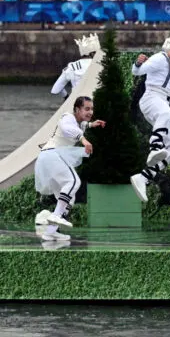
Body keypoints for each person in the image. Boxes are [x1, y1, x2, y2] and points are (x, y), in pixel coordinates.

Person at [129, 38, 170, 203]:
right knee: (168, 113)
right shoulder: (159, 58)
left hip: (162, 104)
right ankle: (155, 146)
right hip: (151, 99)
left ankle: (143, 177)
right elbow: (137, 72)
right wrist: (137, 63)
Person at [34, 96, 106, 241]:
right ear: (76, 110)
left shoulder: (79, 123)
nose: (90, 112)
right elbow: (68, 129)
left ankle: (50, 232)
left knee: (69, 199)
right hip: (52, 155)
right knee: (73, 182)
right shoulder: (67, 117)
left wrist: (92, 125)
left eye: (92, 109)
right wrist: (84, 140)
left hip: (49, 158)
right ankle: (54, 216)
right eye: (87, 109)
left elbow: (82, 126)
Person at [50, 34, 101, 100]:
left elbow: (55, 90)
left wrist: (66, 97)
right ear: (91, 53)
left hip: (77, 104)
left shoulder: (71, 67)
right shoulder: (101, 65)